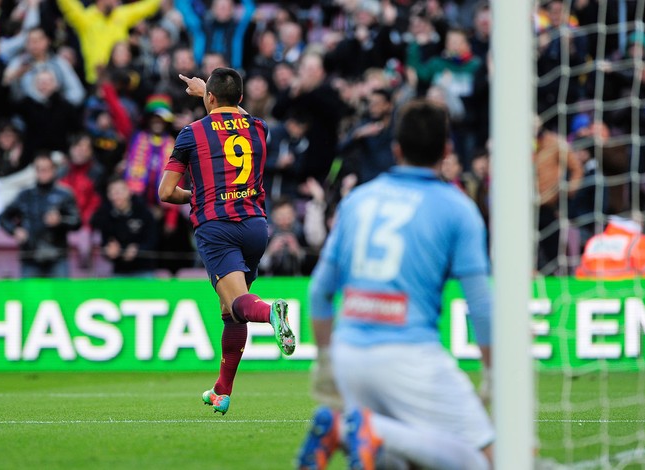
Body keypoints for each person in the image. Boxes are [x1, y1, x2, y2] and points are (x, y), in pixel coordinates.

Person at [296, 100, 494, 470]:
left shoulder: (359, 199)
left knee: (397, 463)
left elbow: (320, 290)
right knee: (487, 461)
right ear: (448, 150)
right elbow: (481, 306)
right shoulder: (457, 207)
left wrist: (326, 360)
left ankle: (366, 432)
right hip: (409, 355)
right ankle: (351, 429)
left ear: (396, 149)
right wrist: (493, 371)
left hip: (350, 354)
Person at [158, 67, 296, 415]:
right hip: (255, 226)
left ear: (209, 99)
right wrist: (212, 93)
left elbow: (166, 192)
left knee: (240, 304)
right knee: (231, 311)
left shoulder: (191, 134)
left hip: (217, 226)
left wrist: (200, 193)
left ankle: (271, 312)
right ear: (242, 99)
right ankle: (222, 390)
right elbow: (238, 115)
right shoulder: (258, 127)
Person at [0, 152, 81, 278]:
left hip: (56, 255)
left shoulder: (64, 194)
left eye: (46, 169)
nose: (43, 173)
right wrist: (15, 230)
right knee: (30, 297)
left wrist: (60, 221)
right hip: (30, 255)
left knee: (61, 296)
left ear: (54, 170)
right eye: (39, 169)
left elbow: (76, 221)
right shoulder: (25, 195)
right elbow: (3, 217)